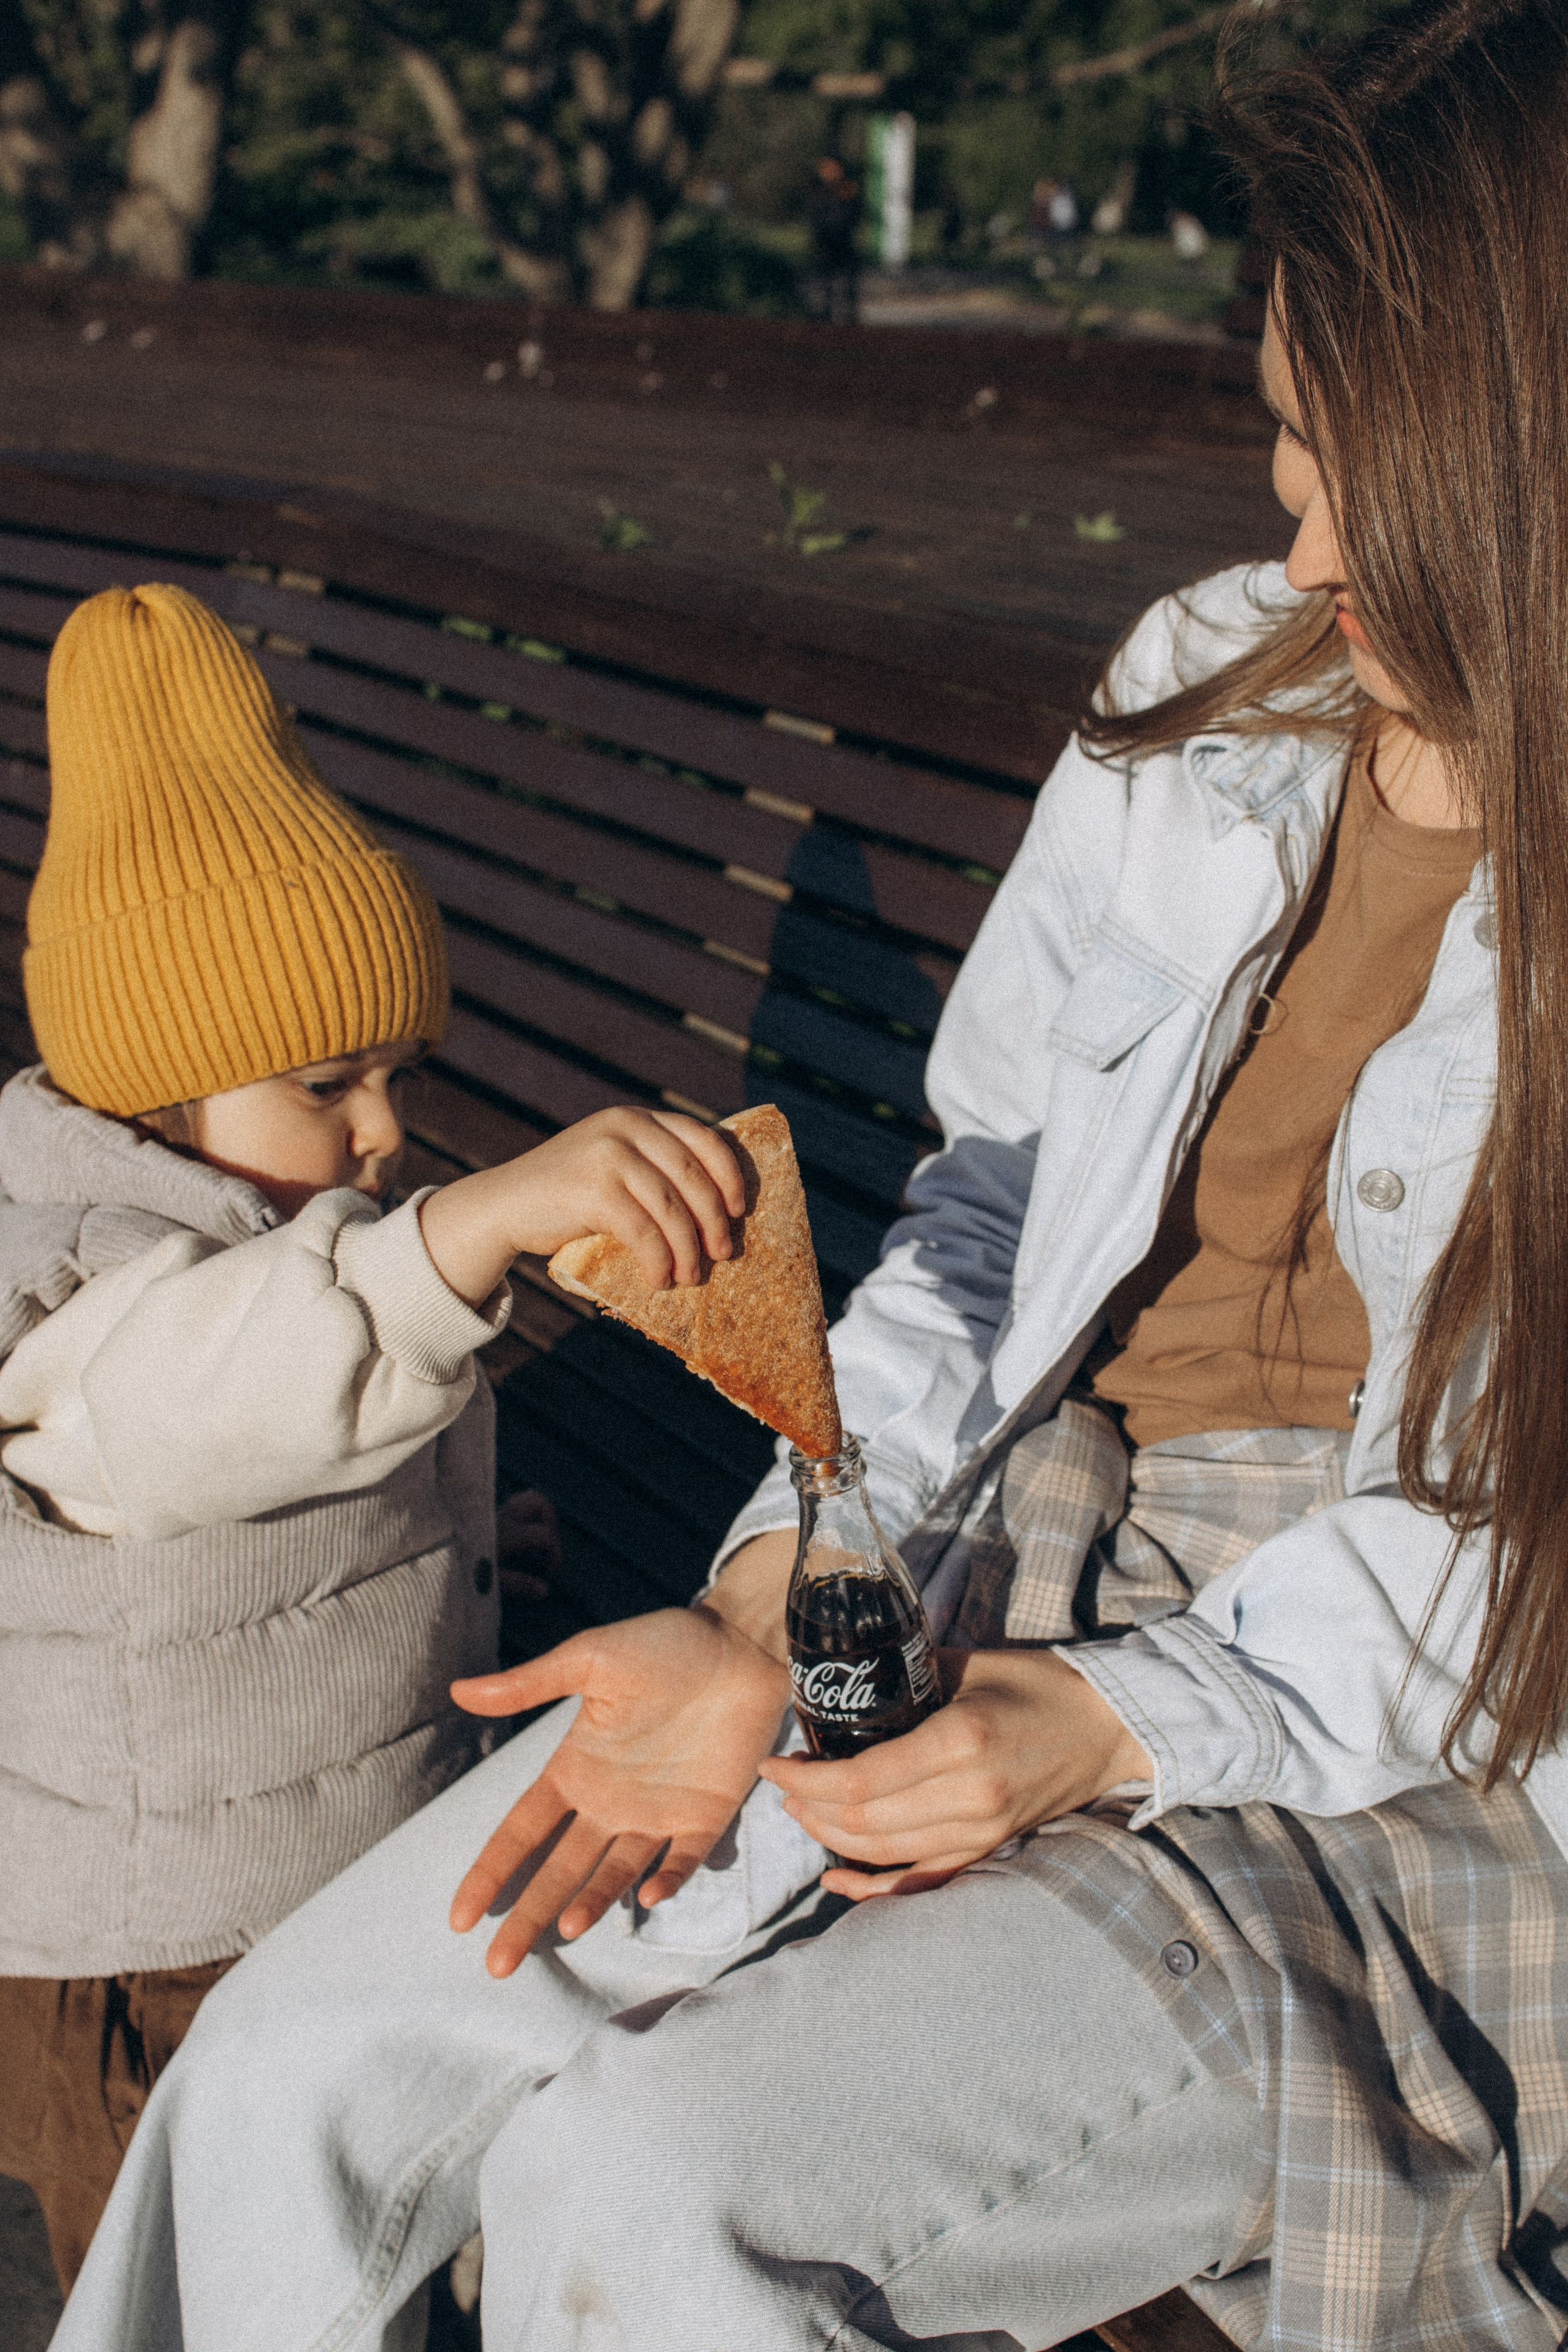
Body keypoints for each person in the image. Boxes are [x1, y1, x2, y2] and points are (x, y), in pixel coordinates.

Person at [48, 1, 1568, 2344]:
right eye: (1282, 439)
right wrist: (789, 1586)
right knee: (293, 2078)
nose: (1299, 533)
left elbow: (1512, 1566)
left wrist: (1115, 1719)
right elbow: (980, 1202)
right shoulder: (1212, 686)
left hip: (1382, 1745)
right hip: (986, 1555)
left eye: (1362, 467)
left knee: (658, 2194)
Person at [0, 583, 742, 2301]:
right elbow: (223, 1398)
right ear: (153, 1086)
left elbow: (304, 1455)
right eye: (327, 1084)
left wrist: (460, 1553)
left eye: (398, 1075)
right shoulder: (77, 1281)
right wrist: (472, 1224)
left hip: (302, 1899)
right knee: (212, 2301)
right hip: (154, 1961)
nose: (384, 1131)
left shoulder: (257, 1233)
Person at [807, 156, 862, 323]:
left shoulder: (846, 190)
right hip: (826, 241)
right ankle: (825, 314)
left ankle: (848, 315)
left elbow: (854, 215)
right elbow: (815, 218)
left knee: (847, 282)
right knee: (826, 282)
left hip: (843, 241)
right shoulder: (818, 193)